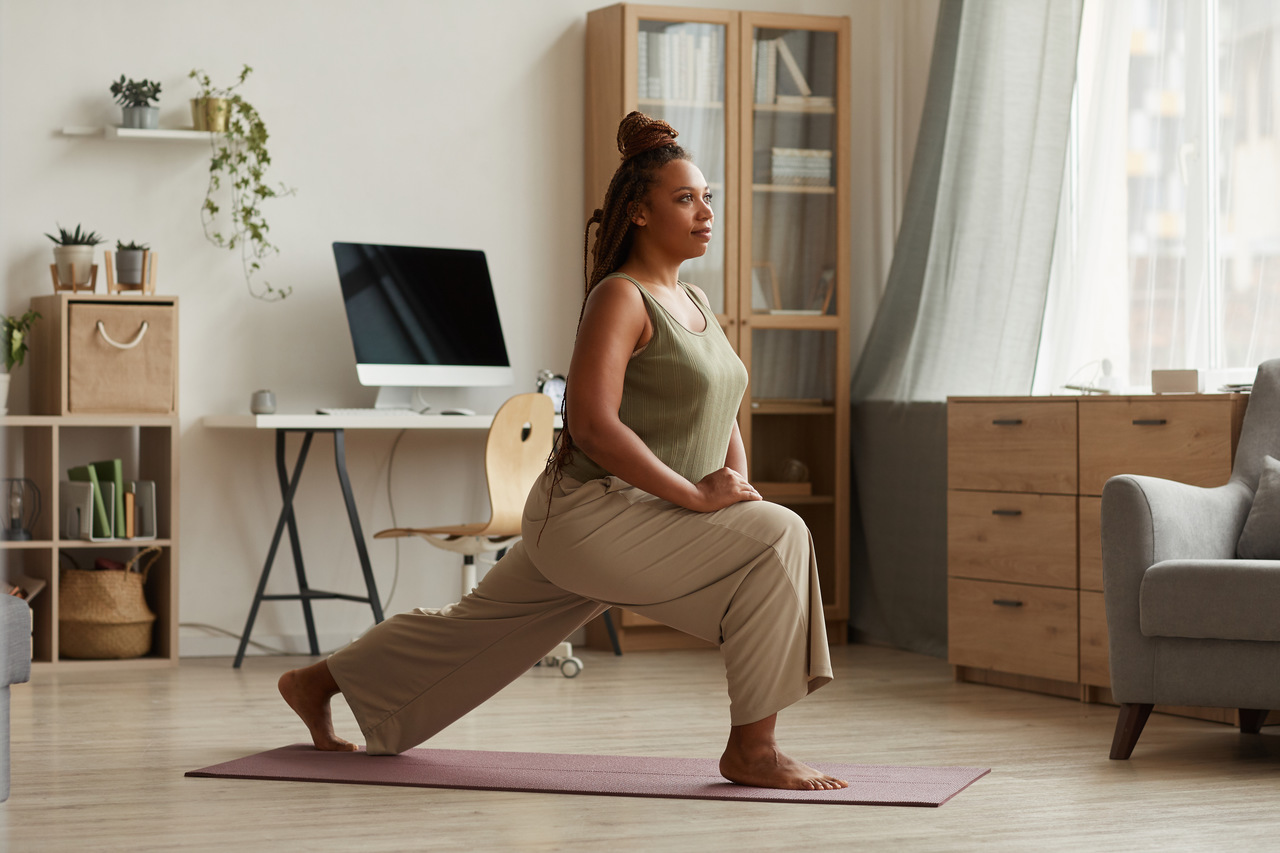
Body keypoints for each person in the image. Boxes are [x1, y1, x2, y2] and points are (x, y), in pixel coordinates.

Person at [279, 112, 847, 791]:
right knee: (780, 537)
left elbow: (721, 405)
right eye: (685, 198)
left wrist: (734, 483)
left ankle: (315, 683)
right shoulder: (619, 297)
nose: (705, 211)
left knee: (473, 631)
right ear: (638, 212)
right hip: (590, 513)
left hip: (640, 517)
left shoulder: (693, 298)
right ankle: (753, 749)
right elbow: (592, 422)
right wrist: (699, 497)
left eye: (707, 197)